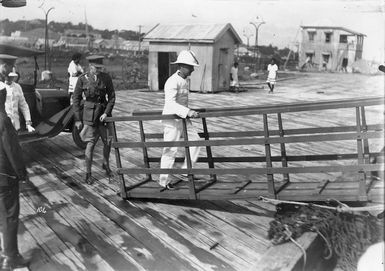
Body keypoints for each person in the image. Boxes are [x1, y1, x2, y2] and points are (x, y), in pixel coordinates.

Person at [159, 50, 201, 190]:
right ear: (182, 66)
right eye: (190, 67)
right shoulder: (172, 81)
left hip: (183, 119)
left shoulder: (183, 80)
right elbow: (170, 104)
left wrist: (188, 112)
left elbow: (181, 102)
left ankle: (185, 170)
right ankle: (164, 181)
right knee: (170, 150)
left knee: (195, 141)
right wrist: (188, 112)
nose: (193, 70)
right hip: (172, 120)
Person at [73, 55, 115, 184]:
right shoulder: (82, 79)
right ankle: (88, 173)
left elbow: (112, 97)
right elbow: (76, 99)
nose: (97, 70)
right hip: (89, 116)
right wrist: (78, 119)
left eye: (99, 68)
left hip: (103, 114)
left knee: (108, 141)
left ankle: (105, 164)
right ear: (90, 66)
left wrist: (107, 113)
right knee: (90, 144)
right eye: (95, 67)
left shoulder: (106, 78)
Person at [0, 84, 29, 270]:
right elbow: (12, 150)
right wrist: (21, 174)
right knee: (10, 215)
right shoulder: (3, 120)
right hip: (4, 177)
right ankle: (10, 257)